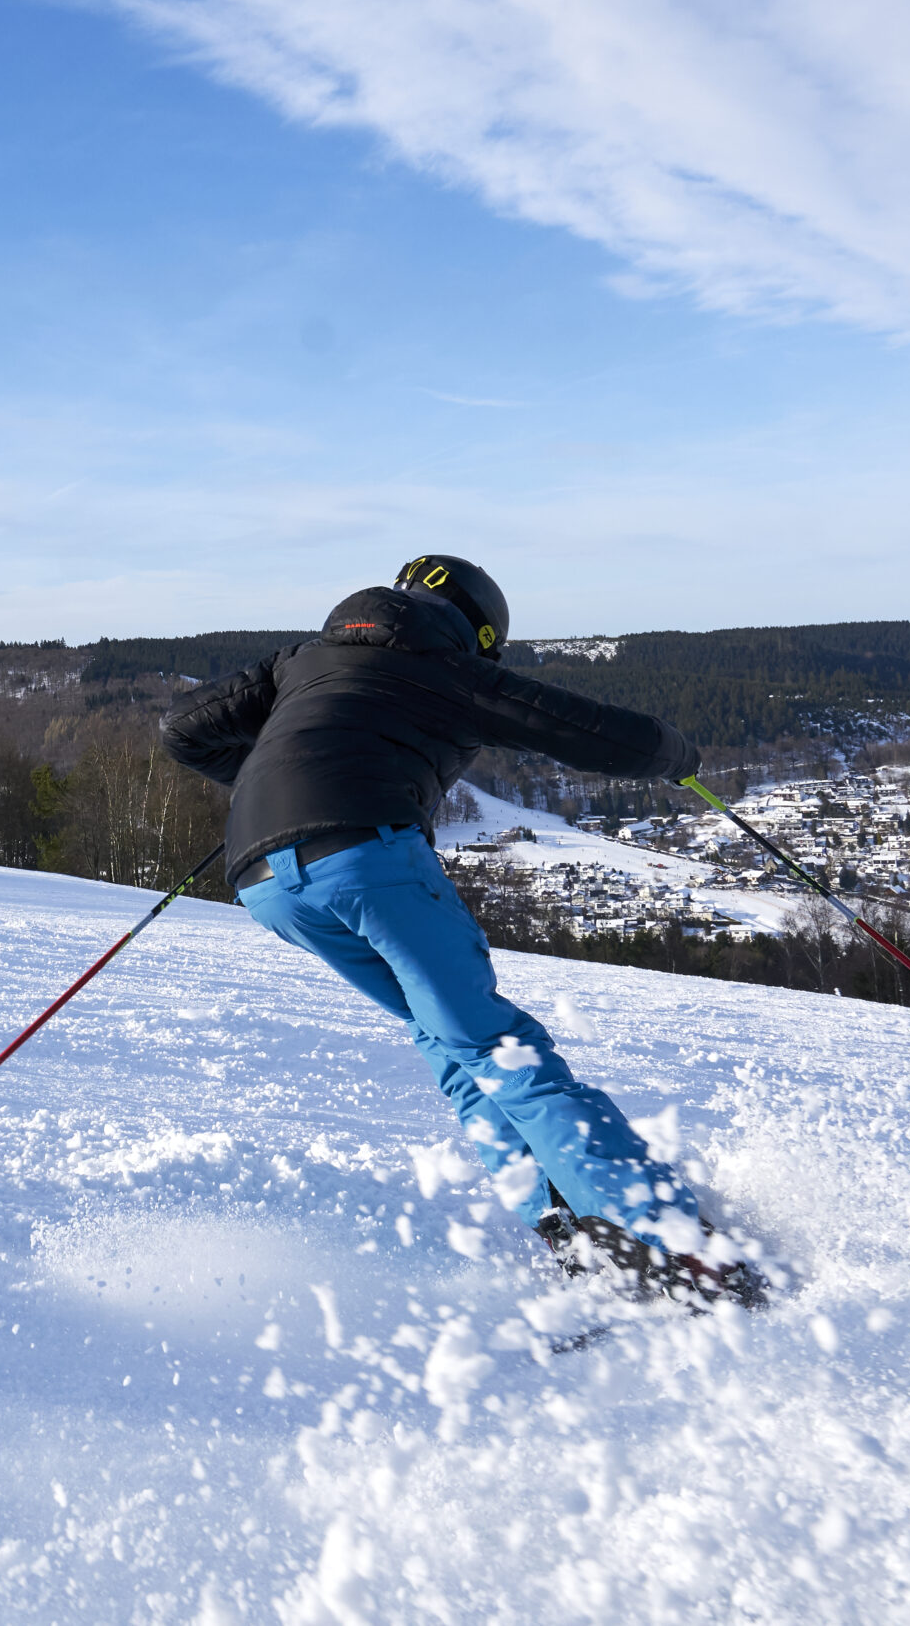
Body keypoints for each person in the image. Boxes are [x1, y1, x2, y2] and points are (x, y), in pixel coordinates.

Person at [162, 554, 765, 1308]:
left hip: (263, 881)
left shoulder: (302, 660)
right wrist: (676, 755)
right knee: (493, 1043)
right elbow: (570, 725)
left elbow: (182, 730)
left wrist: (285, 765)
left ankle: (569, 1233)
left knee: (447, 1042)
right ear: (479, 633)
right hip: (363, 855)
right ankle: (670, 1243)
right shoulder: (443, 667)